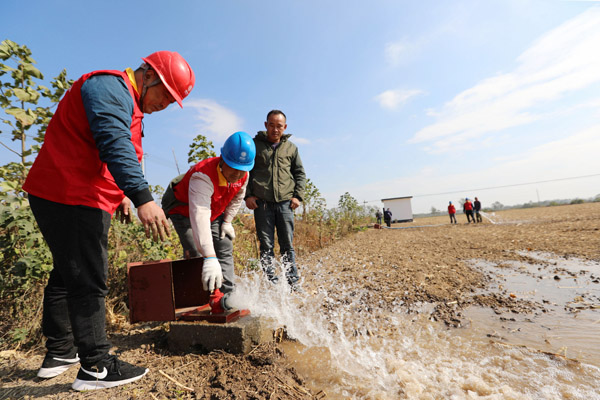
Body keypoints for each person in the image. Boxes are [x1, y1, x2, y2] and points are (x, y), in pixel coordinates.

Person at [22, 51, 195, 391]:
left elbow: (104, 151)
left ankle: (60, 352)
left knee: (67, 272)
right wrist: (143, 197)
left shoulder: (126, 99)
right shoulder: (110, 87)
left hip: (66, 192)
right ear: (148, 75)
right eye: (166, 95)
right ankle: (97, 366)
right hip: (72, 194)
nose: (166, 104)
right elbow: (114, 144)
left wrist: (119, 196)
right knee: (89, 277)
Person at [162, 131, 255, 309]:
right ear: (223, 160)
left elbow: (237, 198)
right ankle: (197, 301)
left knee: (225, 245)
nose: (237, 174)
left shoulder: (244, 173)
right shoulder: (202, 177)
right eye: (233, 168)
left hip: (213, 210)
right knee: (196, 253)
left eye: (242, 170)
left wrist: (227, 221)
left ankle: (227, 298)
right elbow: (199, 216)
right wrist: (210, 257)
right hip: (183, 210)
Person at [244, 110, 306, 289]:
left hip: (286, 204)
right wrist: (248, 196)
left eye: (279, 126)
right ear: (265, 125)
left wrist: (297, 196)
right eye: (271, 125)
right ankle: (271, 284)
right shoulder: (254, 145)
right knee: (266, 245)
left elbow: (300, 174)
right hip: (262, 204)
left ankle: (293, 283)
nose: (275, 129)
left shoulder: (291, 148)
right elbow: (245, 172)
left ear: (285, 127)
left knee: (287, 244)